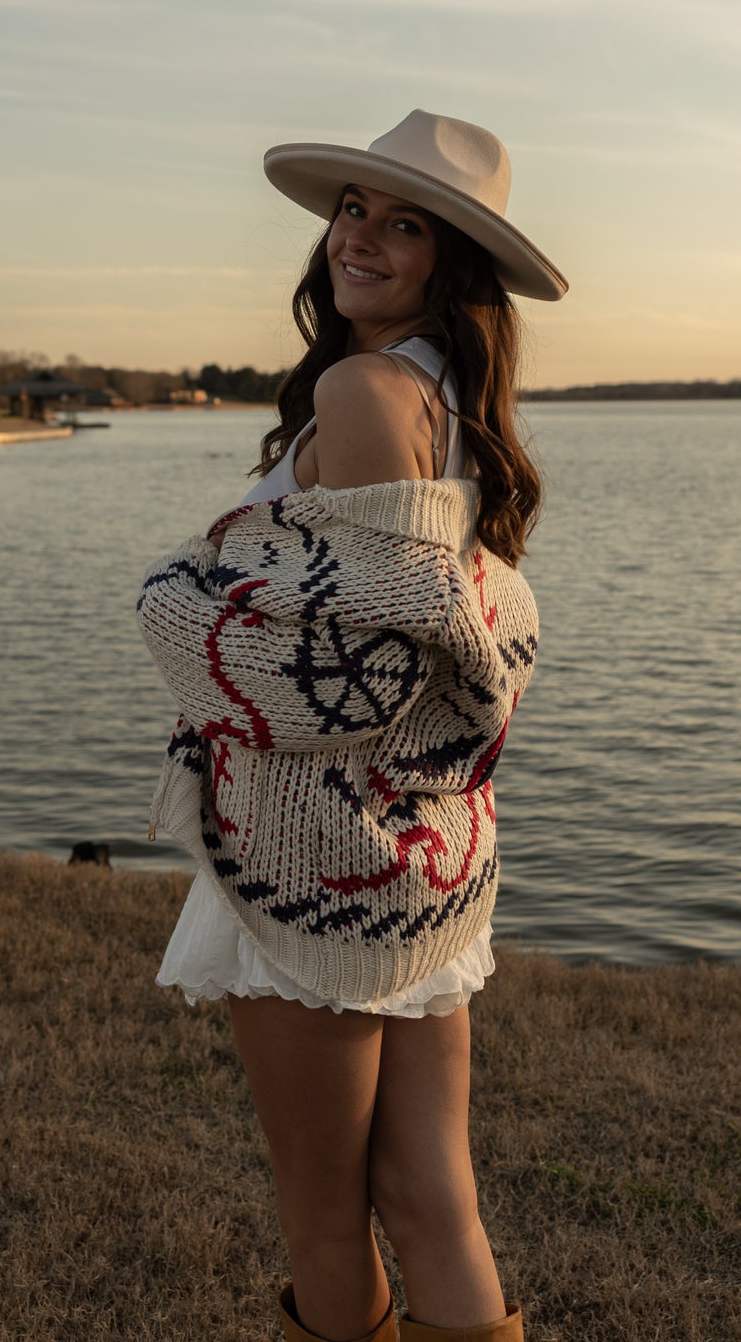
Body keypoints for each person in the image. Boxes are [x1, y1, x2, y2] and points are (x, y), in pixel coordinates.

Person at [138, 109, 567, 1342]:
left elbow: (372, 655)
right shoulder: (445, 395)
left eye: (406, 224)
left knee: (326, 1214)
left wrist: (193, 598)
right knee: (433, 1195)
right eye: (354, 211)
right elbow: (419, 623)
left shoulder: (366, 385)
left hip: (312, 847)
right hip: (423, 848)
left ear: (453, 263)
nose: (363, 238)